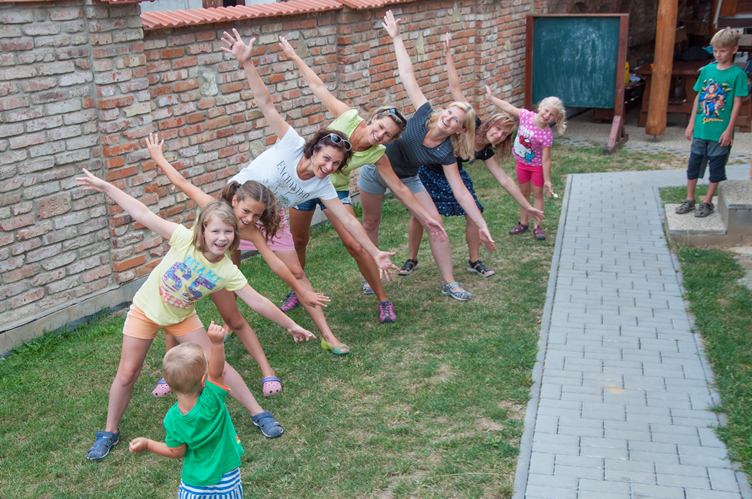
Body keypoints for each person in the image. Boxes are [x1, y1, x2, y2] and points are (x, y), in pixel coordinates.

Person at [78, 169, 315, 461]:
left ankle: (259, 413)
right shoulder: (183, 239)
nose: (222, 238)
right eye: (216, 231)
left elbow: (257, 301)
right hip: (145, 311)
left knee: (219, 365)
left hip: (181, 317)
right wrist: (106, 186)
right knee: (127, 373)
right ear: (203, 229)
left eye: (228, 232)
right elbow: (142, 212)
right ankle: (109, 432)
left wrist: (290, 324)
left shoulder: (226, 270)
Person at [223, 29, 399, 354]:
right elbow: (266, 104)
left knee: (297, 272)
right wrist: (247, 64)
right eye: (327, 159)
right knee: (229, 266)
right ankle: (228, 322)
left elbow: (349, 221)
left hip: (270, 218)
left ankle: (329, 336)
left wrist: (374, 252)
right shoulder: (291, 143)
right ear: (314, 150)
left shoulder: (322, 184)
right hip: (236, 205)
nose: (329, 167)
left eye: (337, 164)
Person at [278, 36, 446, 323]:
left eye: (387, 135)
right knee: (299, 240)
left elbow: (399, 188)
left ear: (391, 139)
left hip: (334, 191)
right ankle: (298, 290)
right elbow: (319, 88)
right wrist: (295, 58)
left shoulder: (378, 153)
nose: (379, 135)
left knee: (356, 244)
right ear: (373, 119)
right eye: (379, 127)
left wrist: (426, 218)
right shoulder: (348, 118)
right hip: (306, 186)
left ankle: (383, 299)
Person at [147, 133, 329, 395]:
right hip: (188, 269)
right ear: (235, 201)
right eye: (246, 211)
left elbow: (275, 263)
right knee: (172, 322)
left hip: (218, 274)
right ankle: (168, 375)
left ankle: (267, 371)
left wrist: (301, 290)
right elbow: (182, 182)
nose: (249, 219)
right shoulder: (211, 206)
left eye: (256, 215)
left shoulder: (251, 230)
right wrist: (158, 157)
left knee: (235, 320)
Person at [362, 11, 497, 302]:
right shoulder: (424, 113)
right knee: (370, 222)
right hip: (375, 170)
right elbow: (407, 76)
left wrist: (482, 224)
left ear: (461, 129)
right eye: (449, 111)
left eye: (456, 119)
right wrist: (397, 38)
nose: (449, 118)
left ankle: (449, 282)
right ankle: (370, 273)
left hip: (408, 178)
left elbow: (461, 192)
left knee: (436, 225)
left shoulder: (446, 151)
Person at [401, 33, 544, 278]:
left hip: (454, 175)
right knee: (419, 216)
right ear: (489, 124)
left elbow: (504, 179)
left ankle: (474, 260)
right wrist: (448, 55)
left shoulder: (486, 151)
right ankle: (411, 259)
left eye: (504, 134)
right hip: (430, 171)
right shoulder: (471, 124)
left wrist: (527, 206)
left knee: (473, 211)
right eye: (497, 128)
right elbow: (456, 89)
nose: (498, 134)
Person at [129, 322, 245, 498]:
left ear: (168, 385)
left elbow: (176, 451)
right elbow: (217, 373)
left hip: (194, 485)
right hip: (227, 476)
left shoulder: (172, 419)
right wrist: (217, 344)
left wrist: (148, 444)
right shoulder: (211, 400)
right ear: (204, 379)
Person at [675, 27, 749, 218]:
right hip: (701, 129)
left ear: (734, 49)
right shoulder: (706, 70)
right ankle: (689, 199)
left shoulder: (738, 75)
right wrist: (691, 123)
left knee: (716, 168)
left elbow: (737, 104)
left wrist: (729, 130)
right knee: (693, 165)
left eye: (723, 51)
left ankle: (707, 202)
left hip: (720, 133)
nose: (718, 54)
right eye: (715, 50)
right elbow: (698, 98)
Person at [486, 87, 566, 241]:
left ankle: (538, 226)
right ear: (540, 107)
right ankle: (523, 223)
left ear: (555, 118)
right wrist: (491, 98)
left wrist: (547, 181)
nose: (547, 115)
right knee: (523, 193)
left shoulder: (546, 135)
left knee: (537, 195)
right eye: (546, 111)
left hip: (536, 168)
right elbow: (508, 107)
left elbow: (546, 159)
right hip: (521, 164)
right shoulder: (525, 115)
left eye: (551, 115)